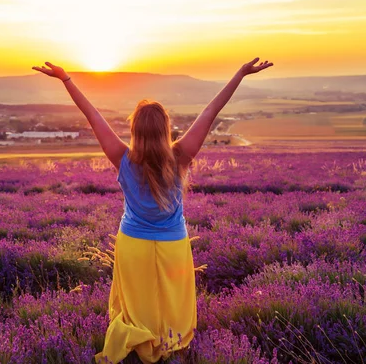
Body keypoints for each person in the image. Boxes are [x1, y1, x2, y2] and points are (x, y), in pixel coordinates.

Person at [32, 57, 273, 363]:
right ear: (165, 129)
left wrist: (67, 79)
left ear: (134, 130)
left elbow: (91, 115)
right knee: (173, 304)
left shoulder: (121, 157)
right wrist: (240, 74)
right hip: (173, 244)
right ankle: (171, 349)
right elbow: (211, 111)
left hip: (133, 245)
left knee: (137, 308)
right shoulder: (181, 155)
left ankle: (137, 345)